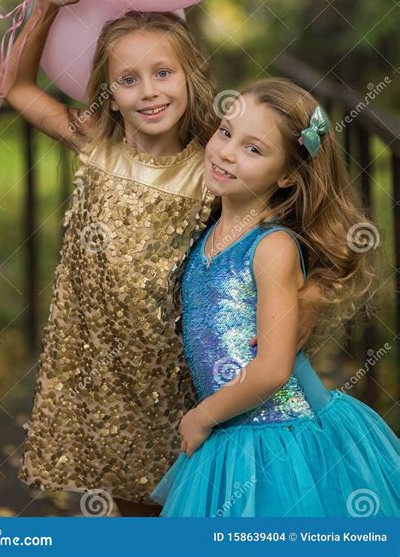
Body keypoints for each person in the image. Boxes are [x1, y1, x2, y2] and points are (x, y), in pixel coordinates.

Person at [1, 0, 320, 516]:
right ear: (110, 91)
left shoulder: (210, 166)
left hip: (175, 372)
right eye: (128, 80)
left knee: (182, 503)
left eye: (163, 73)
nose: (148, 92)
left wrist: (305, 303)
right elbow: (15, 87)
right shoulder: (93, 142)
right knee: (130, 501)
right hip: (102, 368)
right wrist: (49, 4)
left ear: (189, 76)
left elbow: (284, 232)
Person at [151, 79, 400, 517]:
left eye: (253, 149)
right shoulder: (208, 233)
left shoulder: (271, 247)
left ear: (288, 174)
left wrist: (202, 416)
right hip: (233, 435)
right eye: (226, 132)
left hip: (283, 438)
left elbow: (272, 369)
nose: (226, 152)